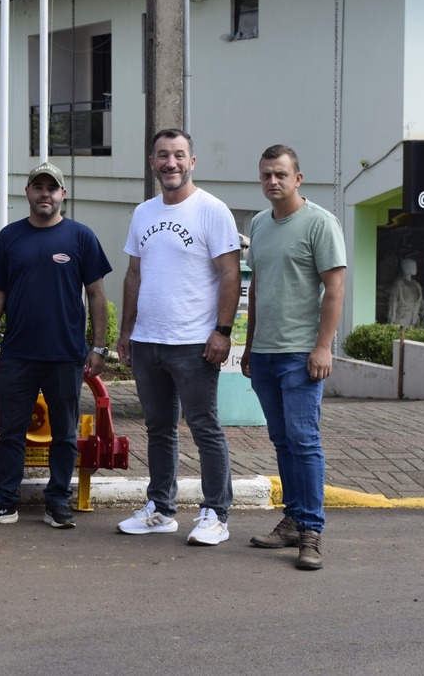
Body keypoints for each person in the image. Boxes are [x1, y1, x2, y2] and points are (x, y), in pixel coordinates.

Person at [0, 162, 112, 529]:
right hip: (17, 356)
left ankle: (57, 502)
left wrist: (98, 347)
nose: (45, 193)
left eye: (53, 188)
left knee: (64, 436)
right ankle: (4, 502)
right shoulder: (10, 238)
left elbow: (96, 294)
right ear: (28, 192)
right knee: (10, 434)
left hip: (65, 356)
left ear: (63, 194)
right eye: (38, 187)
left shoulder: (81, 237)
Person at [115, 128, 241, 545]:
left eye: (179, 155)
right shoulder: (143, 213)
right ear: (152, 162)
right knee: (159, 428)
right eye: (162, 155)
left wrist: (223, 331)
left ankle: (216, 513)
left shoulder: (212, 210)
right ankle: (161, 509)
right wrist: (127, 330)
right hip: (149, 341)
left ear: (192, 161)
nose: (171, 163)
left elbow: (230, 274)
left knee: (204, 426)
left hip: (194, 342)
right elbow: (134, 274)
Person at [241, 144, 346, 570]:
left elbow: (335, 289)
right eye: (266, 174)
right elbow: (258, 290)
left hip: (302, 355)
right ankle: (292, 520)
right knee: (282, 440)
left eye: (281, 174)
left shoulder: (320, 223)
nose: (273, 181)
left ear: (297, 178)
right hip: (265, 354)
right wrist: (248, 346)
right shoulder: (260, 224)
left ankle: (311, 532)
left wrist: (324, 346)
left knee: (304, 441)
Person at [387, 257, 424, 327]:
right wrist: (391, 321)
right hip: (401, 322)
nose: (415, 268)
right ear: (405, 267)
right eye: (412, 265)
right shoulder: (398, 285)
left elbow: (420, 302)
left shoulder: (417, 285)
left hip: (415, 323)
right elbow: (393, 304)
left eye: (415, 265)